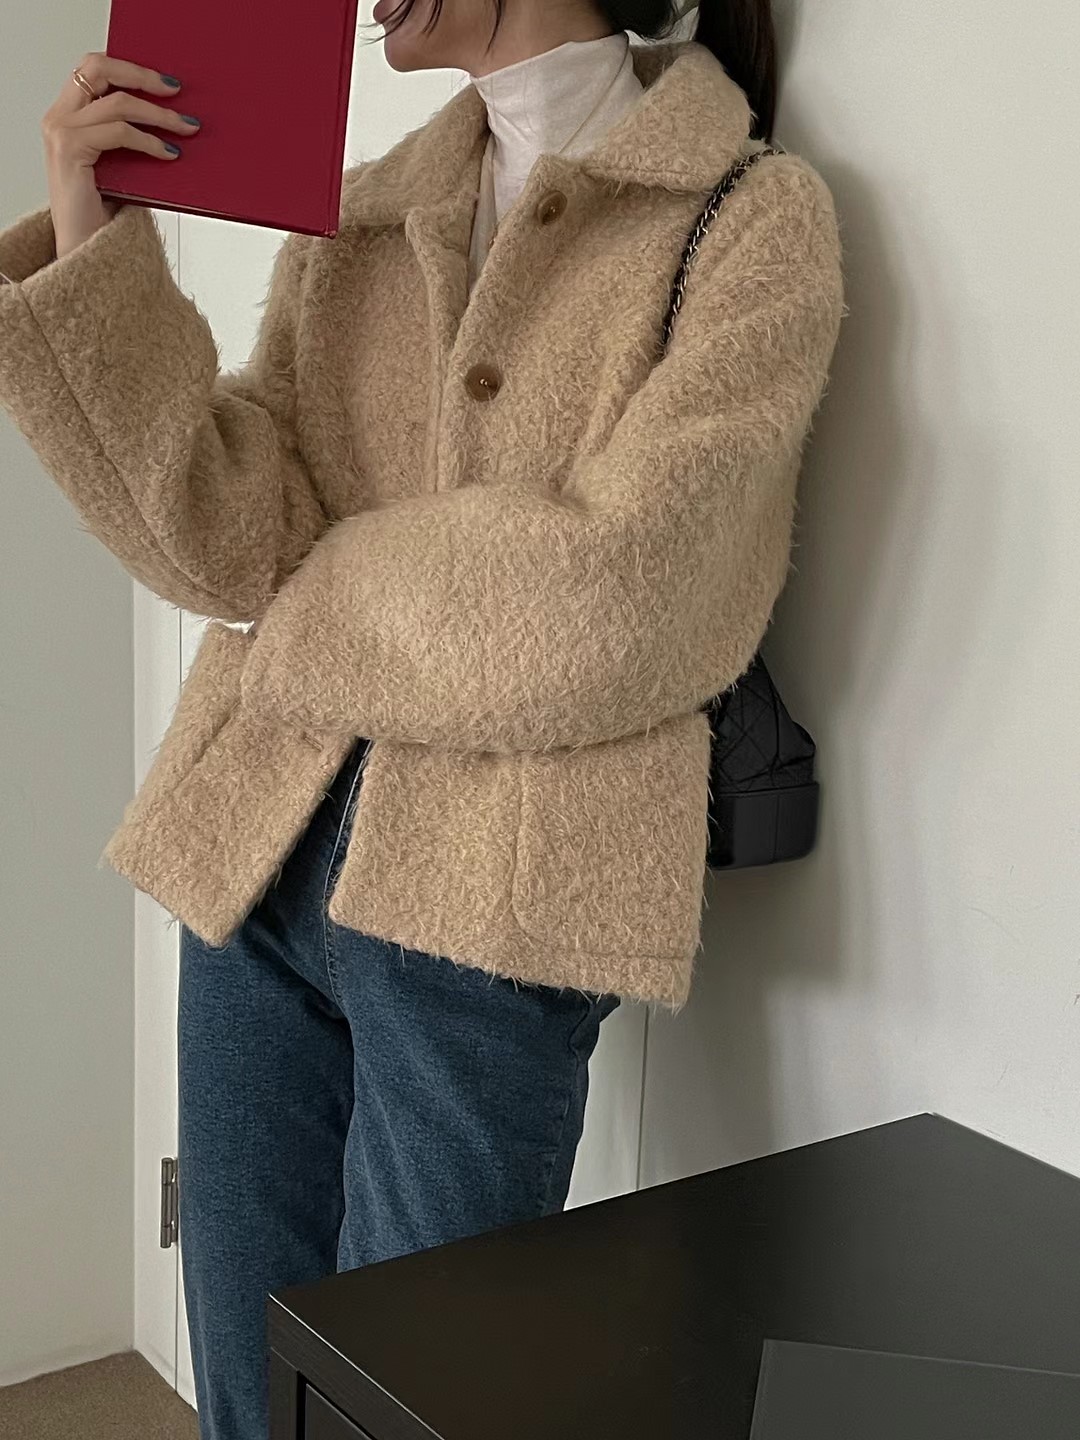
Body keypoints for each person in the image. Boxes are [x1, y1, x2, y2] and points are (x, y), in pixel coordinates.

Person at [0, 1, 844, 1435]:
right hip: (256, 863)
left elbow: (625, 596)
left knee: (409, 1402)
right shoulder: (361, 220)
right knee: (249, 1391)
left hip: (492, 913)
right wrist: (93, 237)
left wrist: (308, 607)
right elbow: (228, 546)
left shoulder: (746, 217)